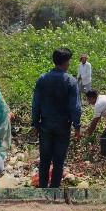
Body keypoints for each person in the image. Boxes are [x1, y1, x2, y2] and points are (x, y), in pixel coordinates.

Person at [32, 48, 82, 188]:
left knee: (45, 160)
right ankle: (54, 191)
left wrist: (35, 124)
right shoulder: (71, 81)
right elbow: (75, 108)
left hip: (45, 124)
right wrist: (77, 127)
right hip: (63, 125)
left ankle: (43, 188)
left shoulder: (42, 79)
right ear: (66, 63)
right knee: (59, 161)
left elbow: (35, 104)